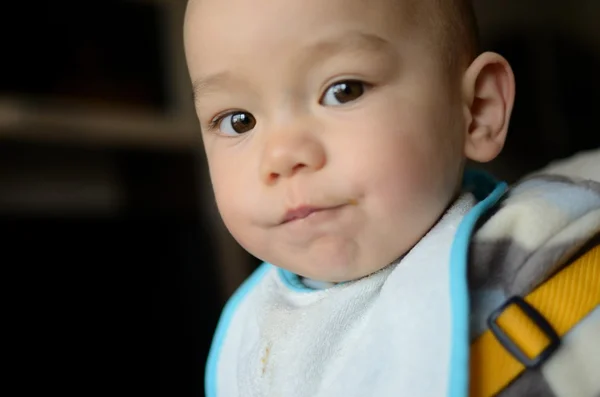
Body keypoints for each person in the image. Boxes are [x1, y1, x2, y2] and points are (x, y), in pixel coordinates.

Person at [182, 0, 600, 396]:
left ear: (476, 109)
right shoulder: (257, 338)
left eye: (343, 90)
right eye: (238, 121)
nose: (281, 156)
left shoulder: (540, 250)